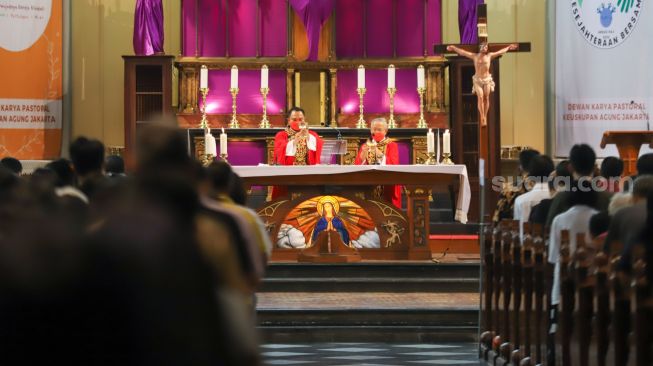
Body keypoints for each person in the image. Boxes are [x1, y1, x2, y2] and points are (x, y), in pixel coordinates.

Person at [446, 42, 517, 127]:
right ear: (480, 47)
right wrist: (453, 48)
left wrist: (509, 47)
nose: (485, 48)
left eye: (486, 47)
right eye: (483, 46)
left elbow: (500, 52)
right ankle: (482, 116)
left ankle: (485, 116)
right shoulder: (474, 56)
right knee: (480, 97)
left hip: (486, 79)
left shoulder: (489, 56)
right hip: (478, 80)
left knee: (486, 97)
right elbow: (463, 52)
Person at [354, 117, 402, 208]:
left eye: (379, 130)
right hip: (369, 184)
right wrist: (363, 154)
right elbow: (358, 165)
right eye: (374, 129)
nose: (376, 132)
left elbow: (393, 165)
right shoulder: (365, 145)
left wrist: (377, 152)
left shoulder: (392, 145)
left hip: (386, 184)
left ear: (385, 131)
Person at [493, 148, 540, 224]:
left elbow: (497, 218)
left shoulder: (508, 189)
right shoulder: (546, 188)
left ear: (520, 167)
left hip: (513, 231)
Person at [513, 154, 554, 241]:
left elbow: (516, 232)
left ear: (531, 175)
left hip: (525, 249)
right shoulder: (556, 198)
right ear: (552, 173)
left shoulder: (520, 201)